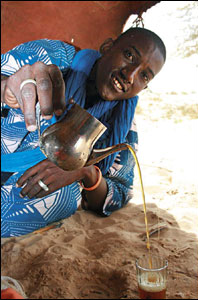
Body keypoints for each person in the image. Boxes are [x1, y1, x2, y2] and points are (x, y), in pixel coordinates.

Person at [1, 27, 166, 238]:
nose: (130, 75)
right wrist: (7, 88)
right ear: (107, 48)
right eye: (129, 55)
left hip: (21, 189)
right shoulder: (53, 58)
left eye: (144, 75)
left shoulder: (122, 123)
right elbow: (11, 79)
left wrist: (84, 171)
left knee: (67, 196)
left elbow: (119, 191)